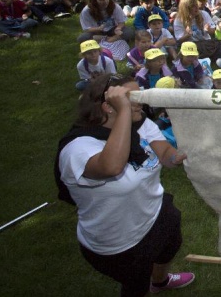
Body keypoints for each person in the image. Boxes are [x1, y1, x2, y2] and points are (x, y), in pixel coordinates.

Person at [57, 74, 194, 297]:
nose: (141, 101)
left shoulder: (141, 123)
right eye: (132, 98)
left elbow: (165, 154)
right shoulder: (78, 149)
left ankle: (160, 282)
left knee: (169, 247)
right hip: (119, 242)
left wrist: (175, 158)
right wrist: (124, 112)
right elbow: (112, 166)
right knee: (136, 287)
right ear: (109, 107)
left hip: (155, 213)